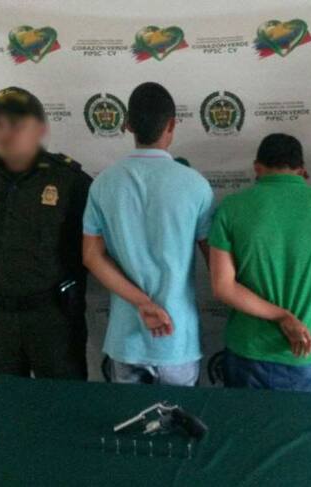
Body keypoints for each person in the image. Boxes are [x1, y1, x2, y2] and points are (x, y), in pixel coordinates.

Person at [82, 82, 215, 387]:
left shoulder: (103, 184)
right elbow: (216, 263)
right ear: (172, 125)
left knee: (131, 418)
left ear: (128, 125)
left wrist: (142, 303)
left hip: (126, 339)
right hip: (177, 338)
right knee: (179, 416)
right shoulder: (195, 185)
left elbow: (91, 256)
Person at [0, 87, 92, 387]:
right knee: (1, 408)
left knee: (63, 406)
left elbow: (84, 250)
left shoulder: (67, 180)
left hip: (51, 320)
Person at [208, 133, 311, 392]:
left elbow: (223, 287)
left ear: (257, 168)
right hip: (305, 349)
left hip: (248, 348)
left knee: (244, 420)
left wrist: (281, 316)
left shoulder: (231, 207)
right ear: (302, 170)